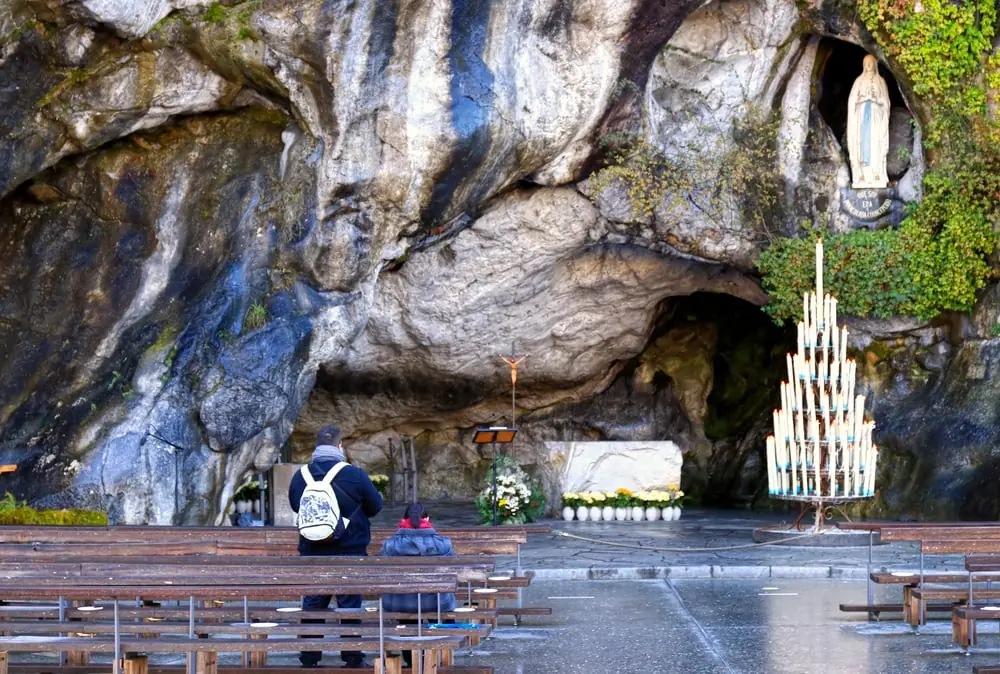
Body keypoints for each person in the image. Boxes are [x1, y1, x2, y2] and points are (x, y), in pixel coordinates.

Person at [289, 426, 383, 669]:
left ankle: (309, 658)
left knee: (313, 604)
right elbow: (375, 507)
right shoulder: (355, 474)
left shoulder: (301, 476)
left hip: (312, 551)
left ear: (316, 448)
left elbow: (296, 507)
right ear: (340, 447)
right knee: (350, 605)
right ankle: (352, 658)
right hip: (350, 550)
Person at [380, 503, 456, 669]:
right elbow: (453, 573)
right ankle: (433, 658)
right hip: (436, 602)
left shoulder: (390, 544)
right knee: (440, 605)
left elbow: (382, 574)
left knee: (407, 614)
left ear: (404, 519)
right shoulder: (442, 544)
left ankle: (411, 661)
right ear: (427, 519)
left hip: (400, 603)